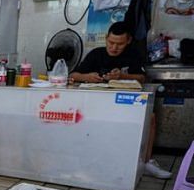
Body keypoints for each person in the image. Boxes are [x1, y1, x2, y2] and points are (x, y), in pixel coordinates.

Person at [70, 22, 172, 179]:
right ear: (106, 38)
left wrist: (123, 76)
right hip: (98, 103)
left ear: (128, 41)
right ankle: (89, 161)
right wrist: (87, 77)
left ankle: (146, 162)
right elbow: (74, 75)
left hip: (125, 103)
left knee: (150, 118)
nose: (114, 47)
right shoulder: (96, 54)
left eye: (119, 44)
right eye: (111, 42)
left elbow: (141, 78)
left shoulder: (134, 55)